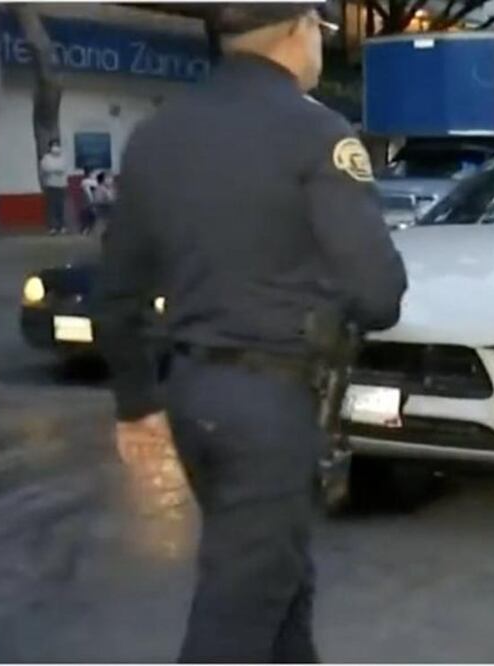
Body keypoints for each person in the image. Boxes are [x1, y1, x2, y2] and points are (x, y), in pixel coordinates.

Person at [93, 3, 408, 661]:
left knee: (278, 576)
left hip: (190, 394)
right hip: (271, 404)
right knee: (239, 608)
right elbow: (379, 295)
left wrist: (135, 404)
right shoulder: (314, 132)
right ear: (297, 31)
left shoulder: (157, 134)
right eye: (321, 32)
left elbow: (117, 292)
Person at [39, 139, 68, 235]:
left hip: (62, 185)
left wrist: (54, 170)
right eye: (53, 145)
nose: (56, 148)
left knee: (61, 207)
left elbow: (64, 167)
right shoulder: (46, 158)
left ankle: (62, 226)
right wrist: (56, 170)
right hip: (51, 185)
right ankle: (53, 227)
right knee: (52, 207)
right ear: (50, 147)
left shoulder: (63, 157)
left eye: (57, 145)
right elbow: (46, 168)